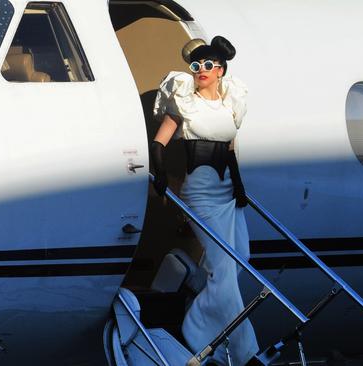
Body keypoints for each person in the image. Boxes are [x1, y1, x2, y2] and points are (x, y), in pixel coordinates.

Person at [150, 36, 259, 365]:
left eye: (208, 65)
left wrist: (239, 186)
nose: (201, 71)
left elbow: (230, 150)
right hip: (199, 191)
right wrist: (161, 175)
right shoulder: (185, 104)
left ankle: (200, 304)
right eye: (196, 66)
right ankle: (230, 345)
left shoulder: (230, 105)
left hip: (226, 191)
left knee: (240, 257)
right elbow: (160, 143)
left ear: (221, 70)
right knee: (224, 265)